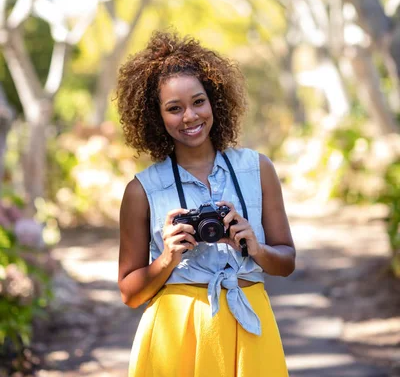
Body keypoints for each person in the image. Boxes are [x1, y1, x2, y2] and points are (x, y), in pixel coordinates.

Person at [116, 30, 295, 377]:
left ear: (214, 100)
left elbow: (286, 263)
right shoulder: (141, 190)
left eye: (198, 101)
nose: (189, 117)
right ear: (156, 116)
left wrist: (256, 248)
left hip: (250, 326)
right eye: (174, 108)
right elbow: (130, 294)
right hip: (176, 335)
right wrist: (167, 258)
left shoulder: (258, 169)